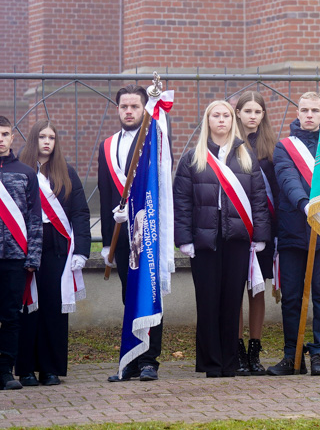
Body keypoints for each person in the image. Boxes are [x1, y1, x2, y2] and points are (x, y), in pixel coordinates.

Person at [173, 100, 270, 378]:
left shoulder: (245, 158)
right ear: (208, 121)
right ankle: (209, 362)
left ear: (232, 120)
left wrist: (259, 236)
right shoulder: (192, 158)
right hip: (204, 240)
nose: (221, 120)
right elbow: (182, 201)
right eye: (216, 115)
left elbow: (259, 200)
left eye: (226, 115)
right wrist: (184, 239)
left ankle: (230, 362)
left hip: (237, 238)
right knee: (207, 300)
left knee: (231, 301)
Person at [16, 121, 89, 386]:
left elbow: (80, 212)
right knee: (28, 306)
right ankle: (24, 368)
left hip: (58, 248)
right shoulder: (20, 171)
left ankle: (50, 368)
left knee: (53, 309)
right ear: (33, 139)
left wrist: (81, 249)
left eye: (52, 137)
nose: (47, 142)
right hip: (26, 247)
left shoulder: (66, 173)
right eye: (42, 137)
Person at [269, 92, 320, 376]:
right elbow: (287, 178)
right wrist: (304, 203)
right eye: (304, 110)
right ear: (297, 113)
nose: (309, 115)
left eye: (315, 111)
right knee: (292, 297)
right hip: (292, 232)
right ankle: (291, 356)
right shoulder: (284, 147)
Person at [100, 85, 163, 382]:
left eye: (134, 107)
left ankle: (151, 360)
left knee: (149, 291)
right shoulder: (107, 146)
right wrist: (106, 237)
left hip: (147, 230)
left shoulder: (154, 139)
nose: (128, 111)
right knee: (129, 294)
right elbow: (103, 193)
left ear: (143, 109)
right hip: (121, 233)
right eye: (124, 106)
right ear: (117, 110)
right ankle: (132, 358)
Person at [235, 91, 278, 376]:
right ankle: (237, 351)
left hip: (264, 229)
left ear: (263, 115)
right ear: (237, 113)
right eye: (247, 110)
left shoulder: (273, 148)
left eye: (257, 111)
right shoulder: (227, 145)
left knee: (257, 288)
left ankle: (255, 350)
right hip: (236, 227)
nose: (252, 116)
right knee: (236, 288)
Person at [0, 116, 42, 391]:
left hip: (15, 258)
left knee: (11, 316)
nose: (0, 139)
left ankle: (5, 371)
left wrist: (33, 257)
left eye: (4, 134)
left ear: (12, 137)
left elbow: (34, 218)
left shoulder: (26, 173)